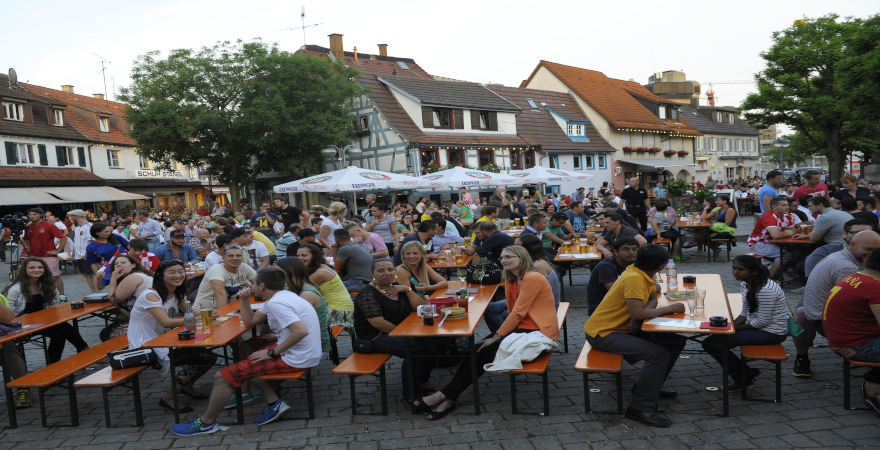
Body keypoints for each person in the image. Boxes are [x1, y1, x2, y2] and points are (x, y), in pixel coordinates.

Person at [170, 267, 322, 435]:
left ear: (262, 286)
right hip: (301, 350)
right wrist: (244, 299)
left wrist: (272, 353)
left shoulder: (277, 303)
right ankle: (274, 402)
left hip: (297, 357)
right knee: (245, 351)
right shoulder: (282, 296)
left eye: (253, 283)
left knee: (222, 376)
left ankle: (207, 422)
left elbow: (300, 331)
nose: (251, 286)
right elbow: (249, 322)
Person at [415, 245, 559, 420]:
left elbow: (517, 313)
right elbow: (514, 310)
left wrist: (497, 336)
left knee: (483, 351)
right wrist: (498, 335)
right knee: (475, 350)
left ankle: (444, 396)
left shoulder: (532, 277)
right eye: (502, 257)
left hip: (539, 332)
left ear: (521, 259)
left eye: (508, 257)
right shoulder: (513, 279)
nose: (503, 260)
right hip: (522, 330)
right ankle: (448, 397)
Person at [584, 244, 686, 428]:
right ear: (661, 266)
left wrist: (644, 311)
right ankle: (639, 408)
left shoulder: (638, 271)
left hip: (620, 328)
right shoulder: (634, 278)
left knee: (676, 341)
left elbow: (653, 293)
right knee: (658, 355)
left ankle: (648, 388)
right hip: (603, 333)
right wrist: (670, 308)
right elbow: (638, 314)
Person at [792, 230, 880, 377]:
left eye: (875, 251)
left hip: (822, 318)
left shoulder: (840, 257)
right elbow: (863, 302)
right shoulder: (847, 268)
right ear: (852, 244)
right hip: (831, 325)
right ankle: (873, 383)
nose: (871, 254)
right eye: (868, 249)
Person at [352, 258, 437, 407]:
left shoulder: (397, 286)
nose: (387, 273)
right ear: (372, 273)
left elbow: (420, 308)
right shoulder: (367, 294)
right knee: (415, 349)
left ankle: (422, 381)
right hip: (372, 337)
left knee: (431, 343)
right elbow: (378, 323)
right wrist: (405, 333)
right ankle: (410, 396)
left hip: (398, 331)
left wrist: (407, 289)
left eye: (390, 270)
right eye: (381, 270)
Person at [702, 255, 788, 390]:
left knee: (717, 344)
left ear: (754, 272)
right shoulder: (745, 284)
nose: (735, 272)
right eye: (734, 268)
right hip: (758, 326)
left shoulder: (765, 290)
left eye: (741, 269)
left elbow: (762, 322)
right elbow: (744, 313)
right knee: (708, 342)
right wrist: (729, 327)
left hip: (772, 332)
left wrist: (734, 329)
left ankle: (742, 377)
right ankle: (745, 373)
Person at [822, 247, 880, 413]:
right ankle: (874, 388)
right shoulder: (874, 287)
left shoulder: (858, 278)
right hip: (856, 347)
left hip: (843, 341)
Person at [1, 257, 89, 368]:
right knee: (61, 328)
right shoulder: (14, 288)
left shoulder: (45, 284)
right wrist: (24, 317)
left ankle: (53, 365)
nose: (36, 270)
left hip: (42, 322)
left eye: (40, 267)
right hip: (21, 325)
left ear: (45, 269)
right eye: (32, 267)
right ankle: (84, 349)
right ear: (24, 270)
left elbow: (50, 306)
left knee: (60, 329)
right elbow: (7, 312)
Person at [297, 243, 353, 328]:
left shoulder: (321, 273)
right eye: (298, 256)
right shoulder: (318, 268)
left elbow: (298, 290)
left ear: (315, 256)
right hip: (335, 308)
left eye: (304, 255)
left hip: (338, 311)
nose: (300, 258)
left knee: (296, 317)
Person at [103, 254, 156, 340]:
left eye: (123, 262)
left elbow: (113, 300)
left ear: (133, 265)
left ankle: (127, 352)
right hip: (151, 316)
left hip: (146, 321)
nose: (119, 265)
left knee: (105, 334)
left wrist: (113, 279)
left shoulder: (133, 277)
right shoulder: (141, 274)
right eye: (116, 264)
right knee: (107, 331)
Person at [21, 208, 68, 301]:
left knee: (54, 276)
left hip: (48, 256)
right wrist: (27, 247)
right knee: (36, 278)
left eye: (34, 214)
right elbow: (24, 238)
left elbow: (63, 237)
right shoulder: (29, 227)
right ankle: (48, 296)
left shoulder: (49, 225)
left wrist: (57, 250)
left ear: (41, 215)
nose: (31, 216)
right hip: (34, 256)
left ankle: (62, 295)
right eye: (30, 214)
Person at [747, 197, 800, 278]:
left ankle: (781, 272)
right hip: (758, 243)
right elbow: (776, 235)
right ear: (775, 207)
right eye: (784, 205)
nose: (787, 207)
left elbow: (793, 229)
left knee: (795, 252)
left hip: (772, 242)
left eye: (787, 205)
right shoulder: (769, 217)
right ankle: (770, 277)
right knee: (786, 255)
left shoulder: (787, 216)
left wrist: (786, 232)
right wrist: (787, 233)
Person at [193, 245, 256, 311]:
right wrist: (225, 316)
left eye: (238, 256)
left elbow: (261, 284)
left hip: (229, 308)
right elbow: (220, 294)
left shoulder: (244, 267)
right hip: (205, 312)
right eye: (230, 256)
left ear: (242, 258)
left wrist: (252, 290)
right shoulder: (216, 269)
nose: (235, 258)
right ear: (223, 258)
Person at [586, 237, 639, 314]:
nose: (631, 252)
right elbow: (616, 292)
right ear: (616, 252)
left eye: (635, 249)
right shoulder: (605, 267)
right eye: (626, 249)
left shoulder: (633, 263)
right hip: (602, 309)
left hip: (620, 304)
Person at [331, 229, 374, 293]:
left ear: (336, 239)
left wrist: (334, 252)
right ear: (349, 237)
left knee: (328, 291)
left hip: (357, 282)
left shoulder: (344, 249)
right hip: (368, 281)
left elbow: (337, 268)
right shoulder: (358, 246)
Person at [68, 209, 100, 294]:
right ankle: (93, 291)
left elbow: (91, 242)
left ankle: (96, 292)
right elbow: (75, 242)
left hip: (87, 255)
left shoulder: (89, 227)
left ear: (76, 217)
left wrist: (87, 254)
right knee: (86, 274)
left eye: (71, 217)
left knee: (92, 274)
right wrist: (73, 254)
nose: (70, 219)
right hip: (78, 255)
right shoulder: (77, 228)